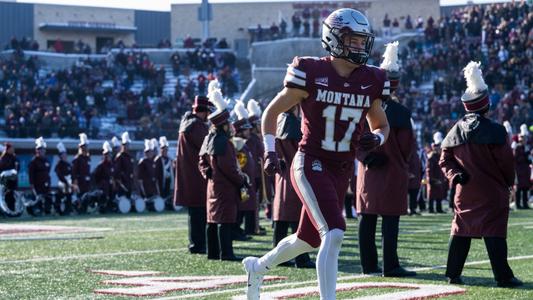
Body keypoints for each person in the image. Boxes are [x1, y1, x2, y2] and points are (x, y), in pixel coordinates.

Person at [243, 8, 390, 299]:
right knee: (334, 233)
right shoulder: (311, 72)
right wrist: (270, 151)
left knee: (306, 240)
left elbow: (382, 124)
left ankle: (257, 267)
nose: (361, 46)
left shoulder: (370, 79)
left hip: (342, 168)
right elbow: (271, 112)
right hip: (311, 161)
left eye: (363, 40)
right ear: (334, 38)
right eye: (354, 40)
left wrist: (377, 138)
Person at [439, 61, 522, 287]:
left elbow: (444, 160)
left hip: (464, 191)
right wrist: (509, 184)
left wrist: (455, 176)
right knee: (494, 234)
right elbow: (506, 163)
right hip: (492, 191)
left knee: (460, 231)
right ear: (486, 105)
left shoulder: (454, 129)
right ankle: (503, 277)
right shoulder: (496, 130)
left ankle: (452, 274)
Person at [356, 41, 416, 277]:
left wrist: (367, 157)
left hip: (368, 172)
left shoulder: (362, 105)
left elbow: (353, 138)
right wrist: (401, 162)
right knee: (390, 222)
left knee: (367, 219)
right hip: (392, 171)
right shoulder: (401, 113)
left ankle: (367, 265)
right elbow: (407, 147)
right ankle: (390, 265)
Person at [199, 85, 249, 261]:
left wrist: (209, 175)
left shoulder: (208, 139)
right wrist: (241, 180)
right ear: (223, 125)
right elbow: (229, 168)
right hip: (225, 187)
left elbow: (202, 163)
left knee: (212, 220)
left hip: (213, 186)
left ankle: (213, 253)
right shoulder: (224, 143)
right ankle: (226, 253)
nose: (231, 126)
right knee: (225, 220)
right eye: (228, 123)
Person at [273, 105, 315, 268]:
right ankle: (301, 258)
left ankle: (278, 256)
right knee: (298, 220)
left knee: (281, 219)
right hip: (296, 174)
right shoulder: (295, 126)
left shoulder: (278, 124)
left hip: (283, 177)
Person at [175, 93, 212, 254]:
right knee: (199, 213)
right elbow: (207, 147)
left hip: (189, 175)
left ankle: (196, 243)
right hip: (197, 176)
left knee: (195, 213)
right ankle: (198, 244)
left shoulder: (187, 125)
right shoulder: (197, 126)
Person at [232, 101, 257, 236]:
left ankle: (238, 228)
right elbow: (241, 164)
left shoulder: (244, 144)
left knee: (245, 205)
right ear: (240, 131)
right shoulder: (238, 145)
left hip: (247, 180)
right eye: (246, 129)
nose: (249, 131)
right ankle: (235, 229)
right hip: (241, 180)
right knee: (240, 206)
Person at [28, 137, 52, 215]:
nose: (42, 151)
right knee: (38, 197)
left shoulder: (46, 160)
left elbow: (48, 170)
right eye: (40, 149)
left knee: (48, 196)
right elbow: (31, 173)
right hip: (37, 183)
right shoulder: (33, 161)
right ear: (37, 151)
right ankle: (38, 210)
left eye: (43, 149)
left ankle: (47, 210)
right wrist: (31, 184)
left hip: (46, 182)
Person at [426, 132, 447, 213]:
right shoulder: (431, 157)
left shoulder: (439, 156)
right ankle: (430, 209)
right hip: (433, 179)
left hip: (439, 177)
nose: (439, 149)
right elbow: (429, 170)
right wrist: (432, 180)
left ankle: (439, 209)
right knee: (431, 195)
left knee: (439, 195)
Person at [72, 133, 92, 212]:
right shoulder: (77, 158)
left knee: (86, 196)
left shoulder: (87, 158)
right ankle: (79, 210)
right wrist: (75, 182)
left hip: (86, 181)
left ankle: (85, 209)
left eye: (86, 146)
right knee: (80, 196)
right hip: (80, 181)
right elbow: (73, 172)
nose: (86, 147)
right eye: (84, 146)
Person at [93, 141, 115, 213]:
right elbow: (95, 176)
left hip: (110, 185)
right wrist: (100, 184)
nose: (109, 156)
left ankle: (110, 208)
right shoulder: (101, 165)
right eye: (108, 155)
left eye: (110, 155)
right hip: (103, 186)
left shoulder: (111, 165)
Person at [0, 143, 20, 215]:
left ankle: (12, 211)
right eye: (11, 148)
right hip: (5, 181)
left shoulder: (14, 157)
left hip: (12, 180)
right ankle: (4, 212)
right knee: (4, 197)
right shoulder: (3, 158)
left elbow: (17, 167)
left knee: (11, 197)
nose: (13, 150)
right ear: (7, 149)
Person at [514, 124, 531, 209]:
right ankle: (518, 204)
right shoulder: (518, 148)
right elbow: (518, 159)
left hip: (525, 170)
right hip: (520, 170)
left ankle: (525, 203)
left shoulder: (525, 147)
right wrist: (526, 154)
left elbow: (528, 160)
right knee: (519, 188)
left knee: (525, 188)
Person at [114, 132, 135, 198]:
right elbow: (117, 172)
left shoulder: (129, 156)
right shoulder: (119, 156)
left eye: (127, 145)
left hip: (129, 183)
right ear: (122, 145)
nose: (126, 146)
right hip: (122, 184)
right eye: (125, 145)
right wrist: (120, 183)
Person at [54, 142, 73, 215]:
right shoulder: (59, 164)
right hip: (62, 183)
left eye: (65, 154)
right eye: (63, 155)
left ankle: (68, 210)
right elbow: (59, 173)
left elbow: (71, 172)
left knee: (69, 197)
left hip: (69, 182)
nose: (65, 156)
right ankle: (58, 210)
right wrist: (64, 181)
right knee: (60, 196)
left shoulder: (68, 164)